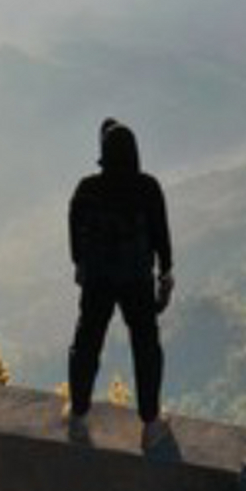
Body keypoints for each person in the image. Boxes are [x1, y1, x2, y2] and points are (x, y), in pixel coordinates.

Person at [66, 117, 175, 450]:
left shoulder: (87, 189)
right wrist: (165, 274)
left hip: (98, 279)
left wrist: (82, 265)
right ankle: (151, 424)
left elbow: (75, 238)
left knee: (87, 343)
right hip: (137, 280)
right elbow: (161, 235)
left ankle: (79, 416)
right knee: (145, 347)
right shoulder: (148, 188)